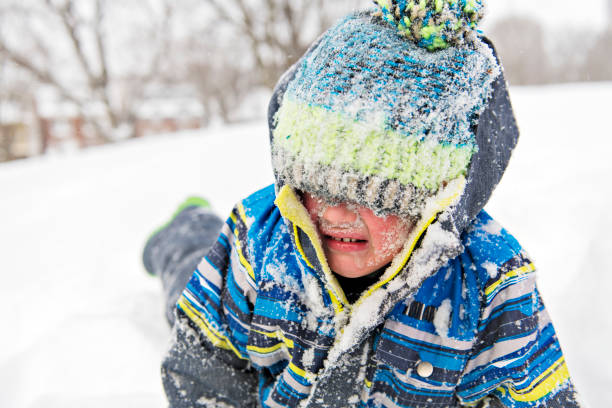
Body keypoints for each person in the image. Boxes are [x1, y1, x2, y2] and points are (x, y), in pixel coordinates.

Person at [143, 2, 583, 407]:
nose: (334, 213)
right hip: (239, 293)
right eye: (316, 185)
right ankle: (188, 227)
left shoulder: (488, 283)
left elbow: (538, 396)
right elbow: (203, 369)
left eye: (371, 194)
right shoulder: (258, 241)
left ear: (435, 202)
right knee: (190, 278)